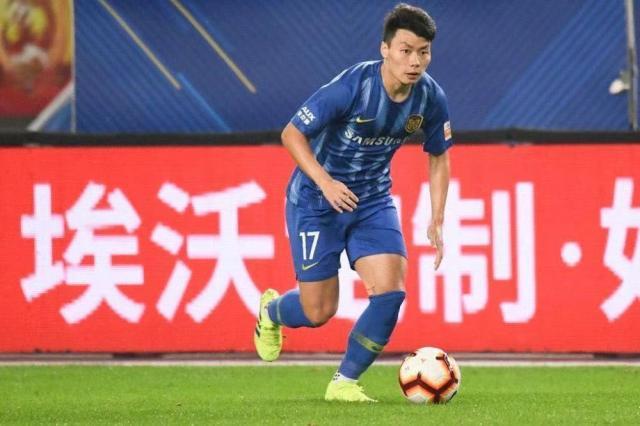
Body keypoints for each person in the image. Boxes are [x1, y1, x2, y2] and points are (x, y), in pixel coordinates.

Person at [254, 3, 452, 403]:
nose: (415, 62)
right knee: (318, 311)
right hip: (316, 200)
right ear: (385, 49)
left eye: (424, 52)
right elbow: (292, 134)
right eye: (406, 50)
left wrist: (437, 217)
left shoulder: (430, 97)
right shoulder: (352, 87)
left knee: (391, 292)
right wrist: (325, 182)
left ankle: (344, 381)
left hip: (372, 200)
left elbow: (439, 155)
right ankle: (272, 312)